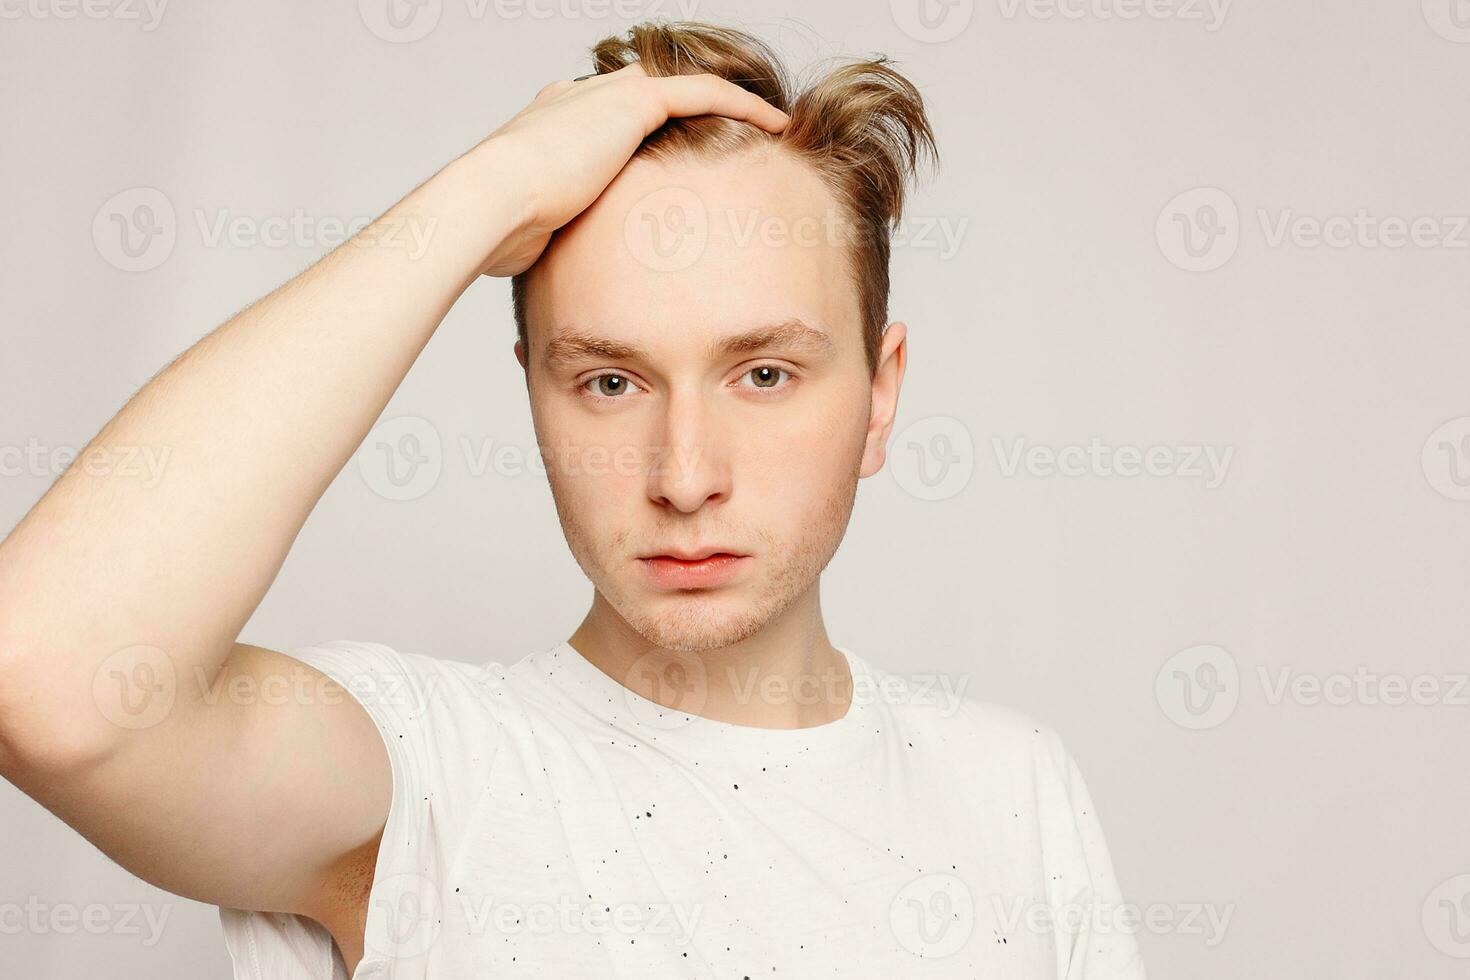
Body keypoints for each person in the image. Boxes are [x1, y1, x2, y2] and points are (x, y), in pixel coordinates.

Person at [0, 20, 1146, 980]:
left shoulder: (1014, 788)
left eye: (763, 374)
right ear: (534, 399)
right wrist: (478, 199)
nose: (684, 475)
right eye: (609, 380)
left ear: (881, 394)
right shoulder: (431, 781)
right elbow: (46, 678)